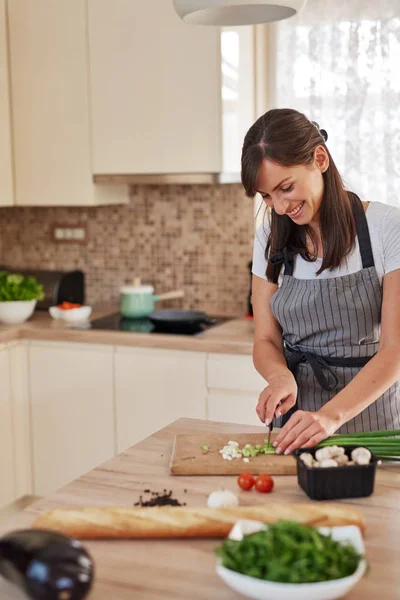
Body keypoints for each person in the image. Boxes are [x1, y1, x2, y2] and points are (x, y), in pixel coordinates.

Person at [242, 108, 400, 455]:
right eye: (267, 196)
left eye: (286, 187)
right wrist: (279, 376)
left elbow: (394, 352)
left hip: (373, 428)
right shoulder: (270, 234)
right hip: (296, 428)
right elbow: (266, 338)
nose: (280, 207)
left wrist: (329, 416)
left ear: (320, 159)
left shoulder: (387, 227)